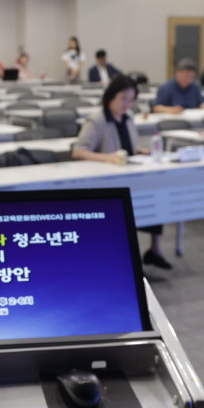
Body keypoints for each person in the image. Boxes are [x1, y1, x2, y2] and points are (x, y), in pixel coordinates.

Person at [73, 75, 172, 270]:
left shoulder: (128, 118)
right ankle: (123, 260)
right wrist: (107, 157)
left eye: (131, 99)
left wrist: (141, 152)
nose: (127, 104)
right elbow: (78, 152)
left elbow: (127, 148)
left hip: (129, 174)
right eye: (123, 99)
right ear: (111, 96)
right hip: (106, 180)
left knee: (155, 196)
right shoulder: (97, 119)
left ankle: (155, 250)